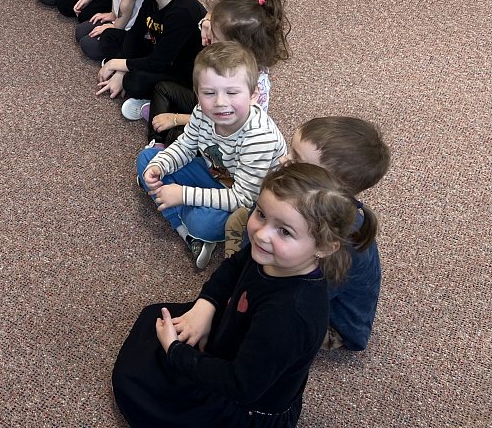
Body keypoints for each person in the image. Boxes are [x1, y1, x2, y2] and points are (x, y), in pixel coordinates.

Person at [113, 162, 370, 427]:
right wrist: (206, 304)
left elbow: (240, 386)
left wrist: (175, 352)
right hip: (237, 336)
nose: (261, 234)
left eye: (284, 231)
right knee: (153, 323)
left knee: (138, 387)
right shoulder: (272, 254)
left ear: (324, 247)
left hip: (243, 407)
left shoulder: (290, 315)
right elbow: (235, 266)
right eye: (261, 213)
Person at [225, 117, 390, 351]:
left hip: (331, 321)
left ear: (330, 185)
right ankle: (243, 267)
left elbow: (308, 294)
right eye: (291, 151)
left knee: (264, 321)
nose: (283, 160)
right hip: (294, 263)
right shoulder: (302, 198)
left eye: (297, 161)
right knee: (248, 220)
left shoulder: (340, 242)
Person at [138, 42, 288, 270]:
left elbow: (244, 199)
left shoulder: (259, 137)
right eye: (209, 93)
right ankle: (187, 233)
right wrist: (160, 165)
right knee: (147, 160)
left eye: (232, 92)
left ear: (254, 94)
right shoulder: (201, 111)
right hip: (217, 175)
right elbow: (186, 146)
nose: (220, 103)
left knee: (204, 224)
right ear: (197, 93)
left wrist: (183, 194)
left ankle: (187, 225)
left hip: (249, 199)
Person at [148, 0, 291, 145]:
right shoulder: (235, 54)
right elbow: (213, 16)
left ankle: (165, 130)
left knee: (178, 136)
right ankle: (156, 142)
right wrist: (207, 21)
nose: (208, 38)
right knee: (162, 88)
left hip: (224, 128)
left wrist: (176, 119)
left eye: (215, 37)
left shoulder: (253, 83)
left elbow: (224, 120)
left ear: (237, 46)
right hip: (208, 104)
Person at [95, 0, 204, 120]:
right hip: (159, 52)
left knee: (134, 81)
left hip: (180, 72)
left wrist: (116, 64)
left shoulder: (183, 12)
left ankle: (155, 101)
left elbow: (158, 62)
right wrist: (121, 69)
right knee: (110, 36)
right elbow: (135, 33)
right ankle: (123, 75)